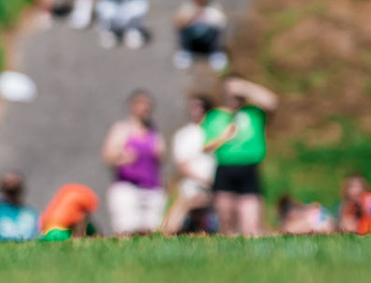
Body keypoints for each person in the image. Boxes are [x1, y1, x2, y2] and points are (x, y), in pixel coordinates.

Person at [203, 76, 278, 237]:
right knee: (226, 219)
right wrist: (225, 136)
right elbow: (206, 147)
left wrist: (244, 87)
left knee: (251, 221)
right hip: (225, 169)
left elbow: (272, 102)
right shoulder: (215, 116)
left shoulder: (254, 113)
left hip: (249, 169)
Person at [102, 90, 166, 235]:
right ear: (132, 106)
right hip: (128, 186)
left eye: (147, 105)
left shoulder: (154, 131)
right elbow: (107, 156)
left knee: (152, 230)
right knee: (127, 229)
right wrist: (121, 156)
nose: (144, 108)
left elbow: (161, 156)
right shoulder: (122, 129)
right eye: (140, 104)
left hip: (152, 187)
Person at [165, 94, 218, 235]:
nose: (197, 110)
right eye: (194, 107)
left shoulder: (215, 132)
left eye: (201, 107)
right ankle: (168, 235)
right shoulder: (183, 135)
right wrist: (205, 181)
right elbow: (182, 164)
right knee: (184, 209)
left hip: (216, 188)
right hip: (192, 186)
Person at [173, 0, 228, 70]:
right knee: (184, 30)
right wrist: (193, 17)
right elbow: (177, 23)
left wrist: (208, 17)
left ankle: (215, 54)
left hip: (208, 39)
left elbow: (222, 23)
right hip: (192, 39)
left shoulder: (213, 8)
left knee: (216, 31)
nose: (200, 0)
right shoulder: (187, 8)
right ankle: (185, 54)